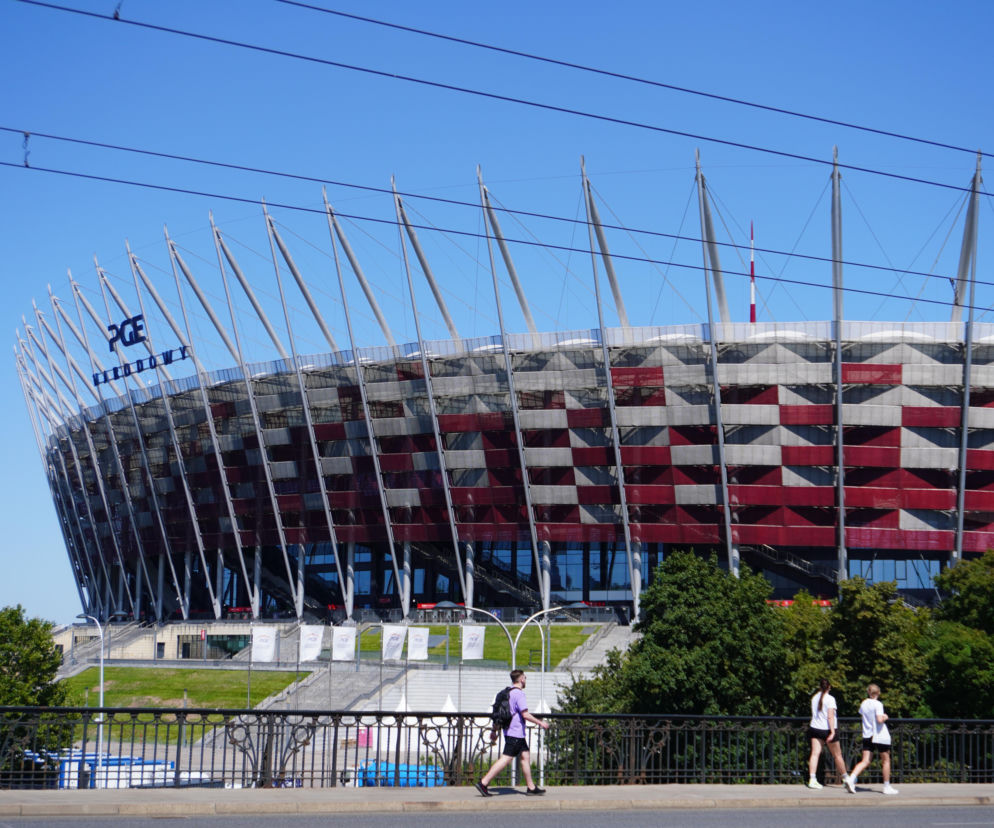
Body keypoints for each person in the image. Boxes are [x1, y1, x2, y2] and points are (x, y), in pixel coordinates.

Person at [476, 669, 550, 797]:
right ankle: (484, 782)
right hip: (515, 733)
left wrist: (494, 730)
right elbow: (525, 714)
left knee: (525, 756)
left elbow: (500, 713)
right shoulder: (519, 694)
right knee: (506, 759)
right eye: (525, 678)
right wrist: (540, 723)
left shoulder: (506, 693)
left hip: (511, 732)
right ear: (521, 679)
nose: (525, 680)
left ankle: (531, 787)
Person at [847, 683, 898, 795]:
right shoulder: (878, 704)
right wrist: (885, 717)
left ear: (869, 693)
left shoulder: (864, 703)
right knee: (885, 761)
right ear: (878, 693)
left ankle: (851, 778)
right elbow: (879, 720)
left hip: (867, 734)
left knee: (865, 761)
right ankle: (886, 786)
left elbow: (862, 714)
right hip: (879, 735)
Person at [806, 678, 853, 790]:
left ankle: (812, 779)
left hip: (815, 728)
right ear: (829, 687)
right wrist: (832, 732)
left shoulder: (814, 698)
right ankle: (846, 778)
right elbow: (830, 716)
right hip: (827, 729)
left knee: (815, 754)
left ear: (819, 687)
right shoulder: (830, 699)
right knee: (837, 755)